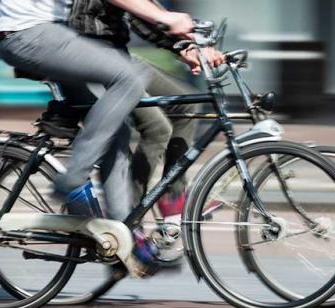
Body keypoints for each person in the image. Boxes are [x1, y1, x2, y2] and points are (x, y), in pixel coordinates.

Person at [65, 0, 225, 223]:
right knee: (157, 129)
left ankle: (173, 197)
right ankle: (128, 221)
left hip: (116, 52)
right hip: (91, 55)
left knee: (187, 102)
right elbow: (141, 12)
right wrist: (178, 37)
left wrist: (186, 46)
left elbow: (144, 14)